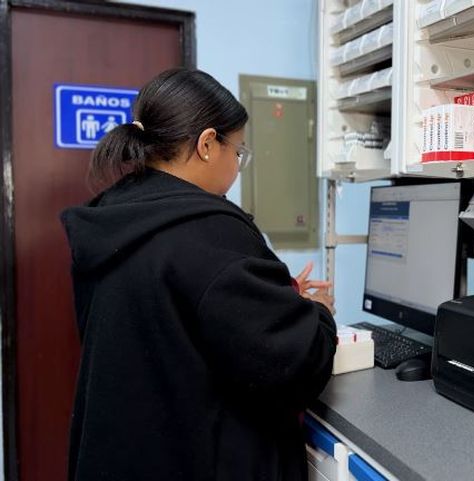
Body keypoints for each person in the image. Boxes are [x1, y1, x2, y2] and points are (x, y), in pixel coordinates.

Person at [60, 68, 337, 480]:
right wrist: (317, 312)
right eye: (237, 152)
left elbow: (179, 316)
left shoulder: (113, 217)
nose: (237, 166)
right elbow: (293, 367)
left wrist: (270, 299)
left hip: (125, 454)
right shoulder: (210, 233)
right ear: (207, 144)